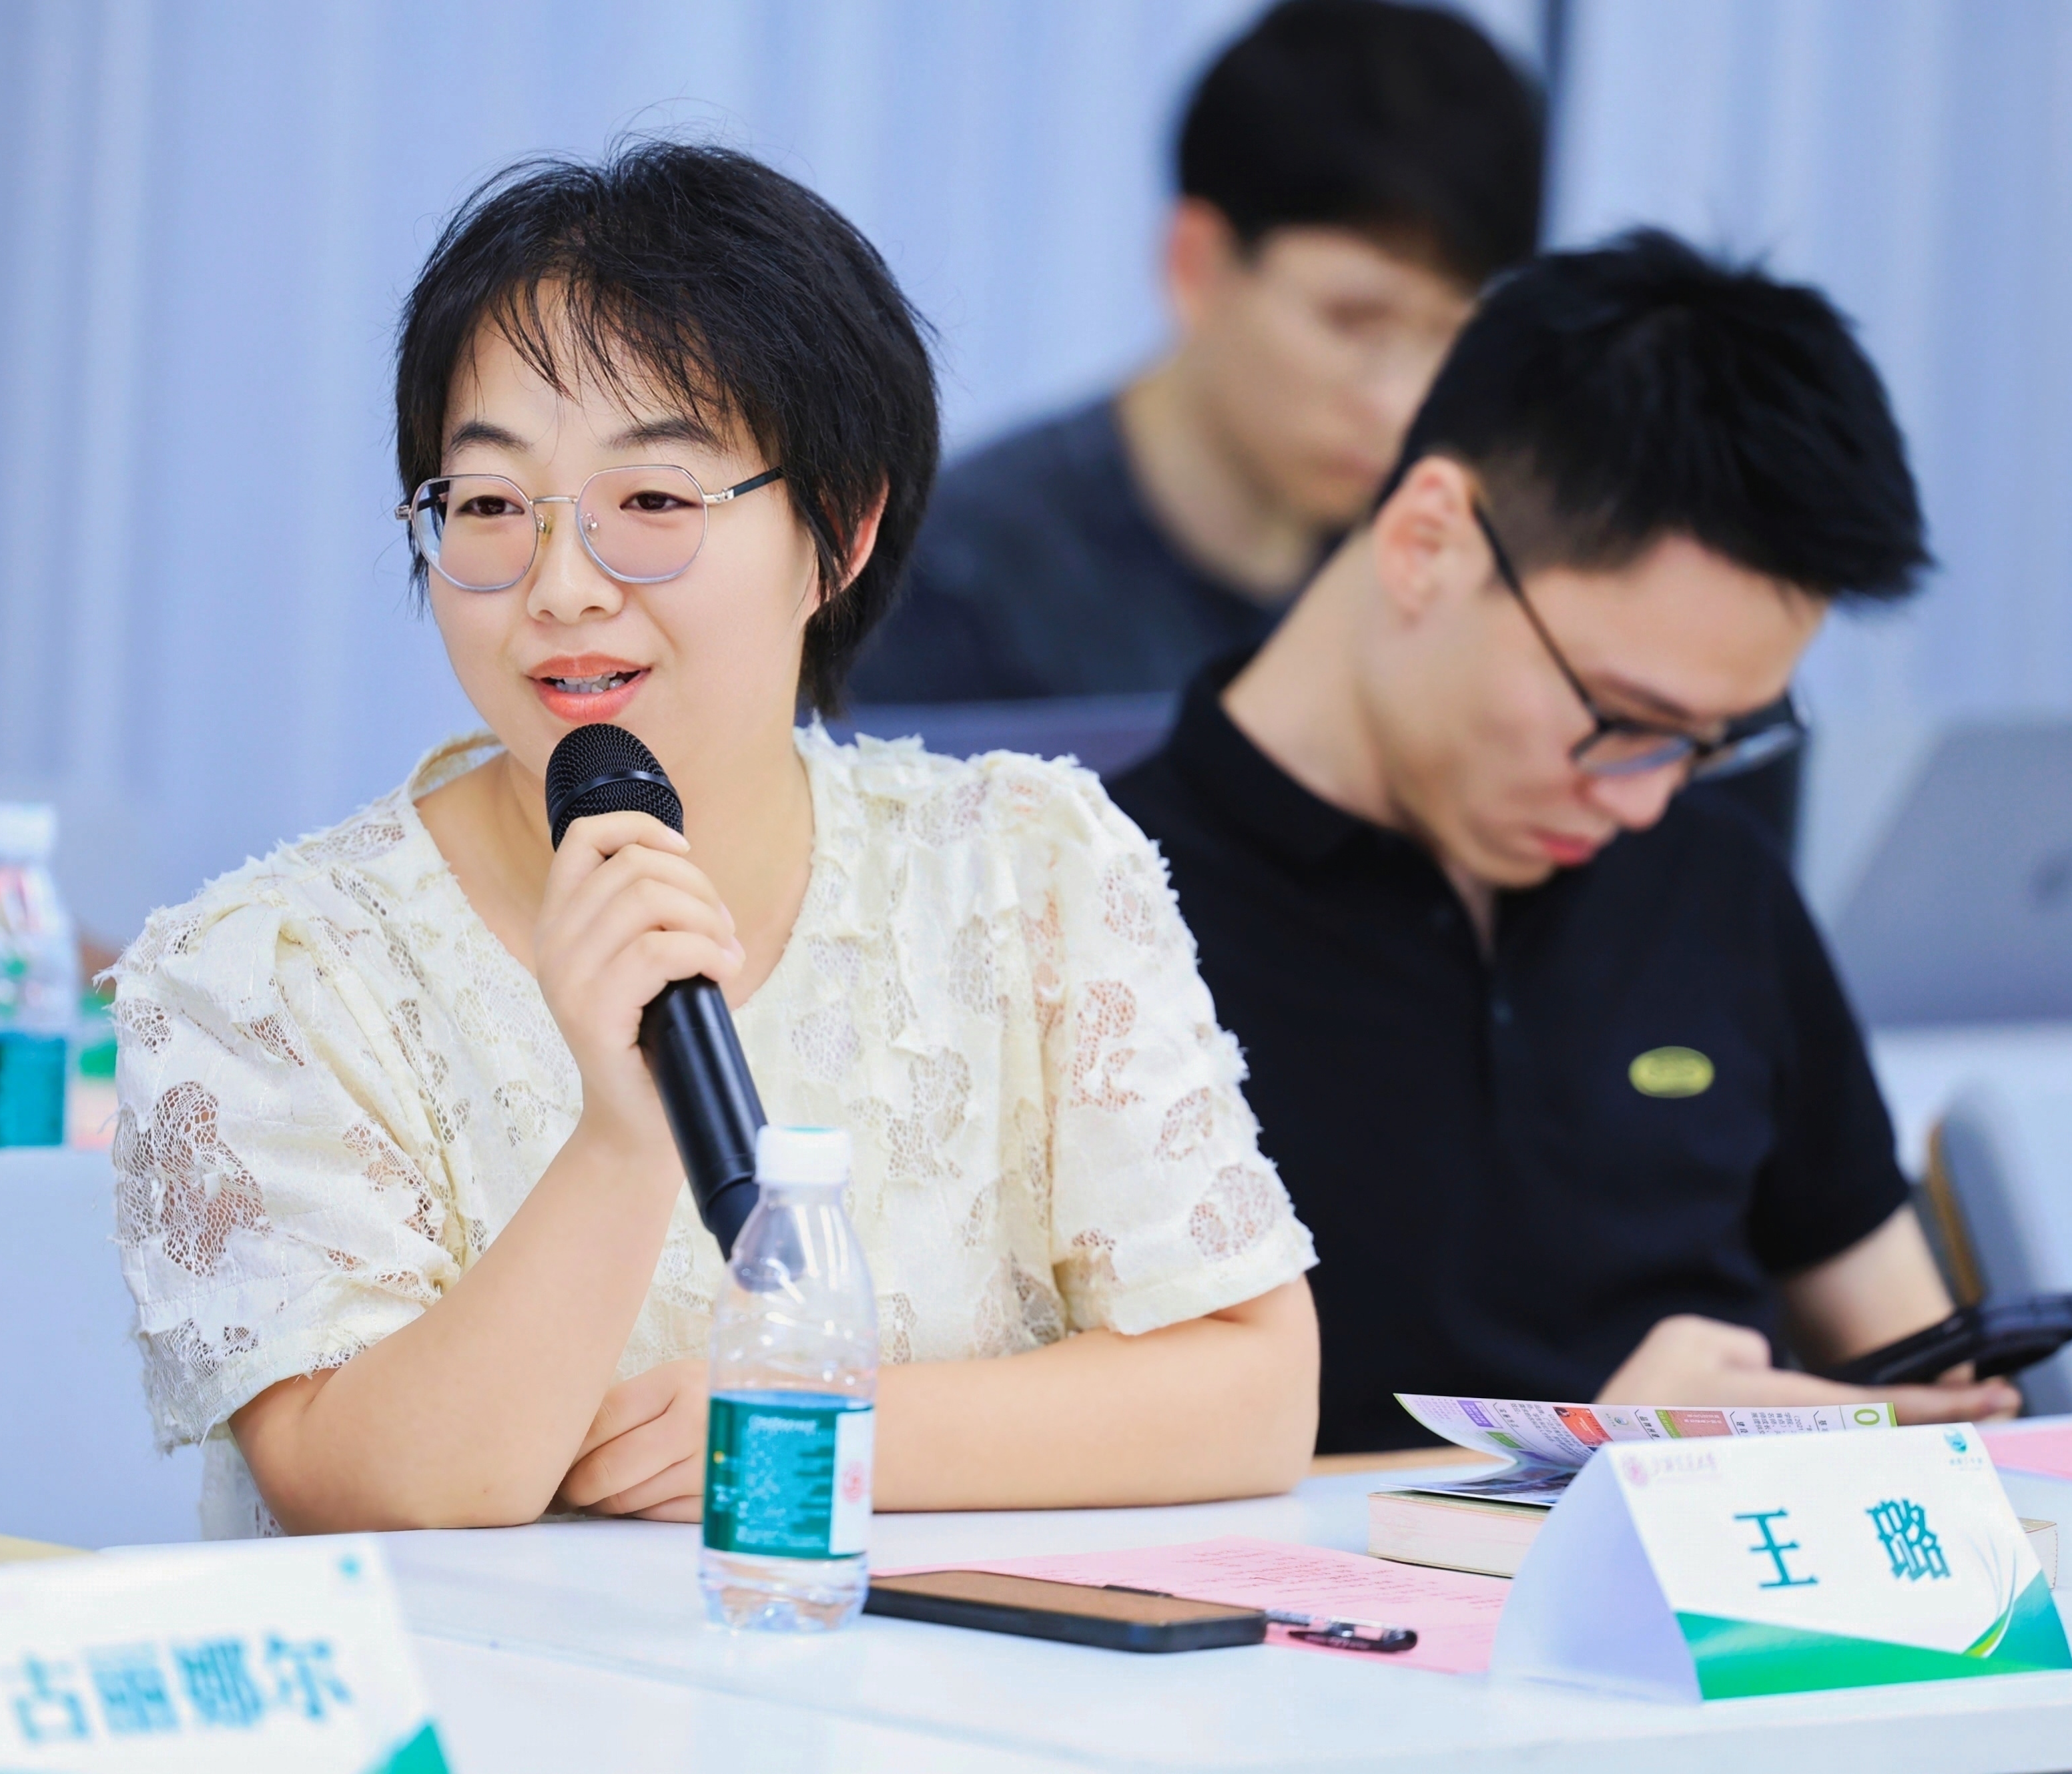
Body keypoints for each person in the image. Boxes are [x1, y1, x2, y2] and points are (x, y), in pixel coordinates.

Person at [107, 143, 1319, 1536]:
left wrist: (807, 1423)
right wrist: (622, 1145)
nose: (561, 587)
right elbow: (358, 1491)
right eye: (490, 506)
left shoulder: (1026, 866)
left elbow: (1250, 1388)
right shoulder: (265, 967)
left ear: (839, 532)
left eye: (653, 504)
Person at [1112, 230, 2024, 1453]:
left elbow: (1926, 1391)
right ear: (1428, 542)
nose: (1644, 800)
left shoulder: (1713, 880)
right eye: (1622, 718)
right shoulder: (1100, 904)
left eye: (1710, 740)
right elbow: (1086, 1487)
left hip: (1740, 1575)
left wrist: (1930, 1412)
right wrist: (1590, 1453)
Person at [847, 0, 1543, 705]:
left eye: (1451, 333)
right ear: (1198, 266)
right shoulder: (956, 584)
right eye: (1351, 321)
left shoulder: (1443, 568)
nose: (1400, 403)